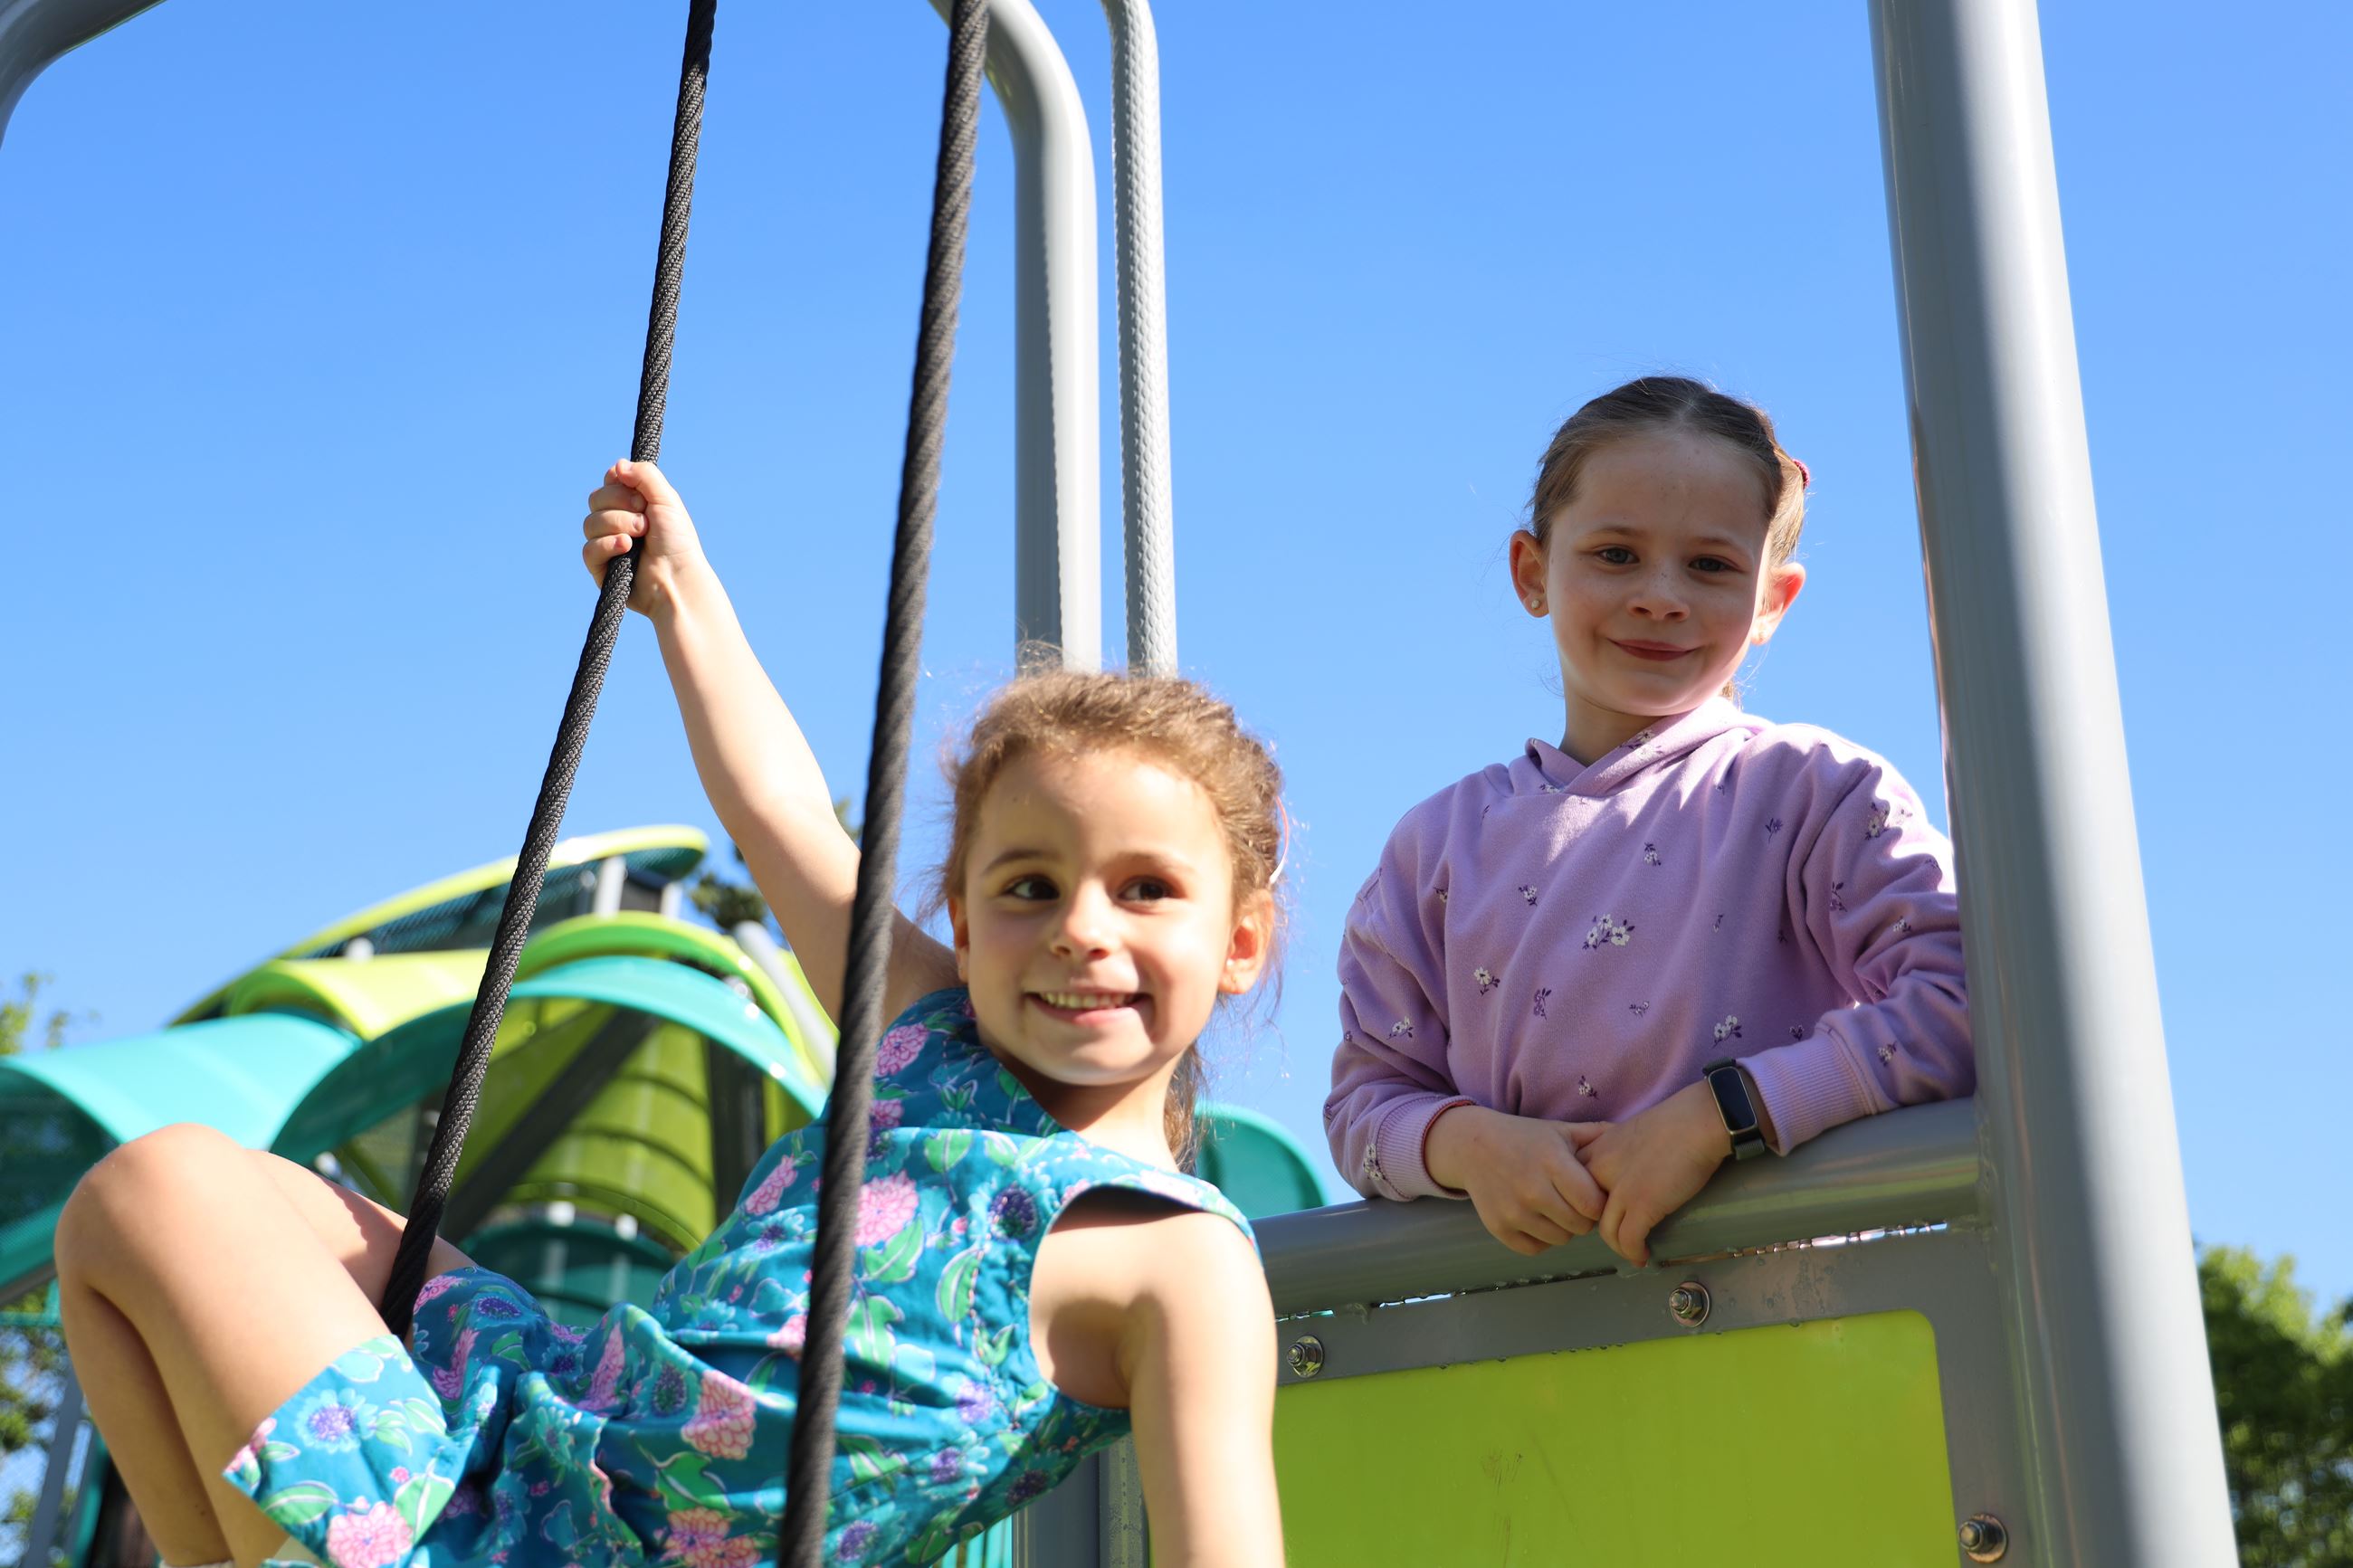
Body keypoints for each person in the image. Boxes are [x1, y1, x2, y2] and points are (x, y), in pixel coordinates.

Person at [55, 461, 1286, 1568]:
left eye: (1146, 891)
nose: (1082, 927)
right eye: (1030, 887)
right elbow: (785, 819)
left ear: (1238, 943)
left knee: (160, 1189)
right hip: (549, 1422)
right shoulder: (933, 1026)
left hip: (600, 1551)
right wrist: (684, 597)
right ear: (961, 917)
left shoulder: (1183, 1260)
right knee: (155, 1208)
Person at [1325, 375, 1974, 1266]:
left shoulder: (1815, 790)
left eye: (1709, 565)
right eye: (1615, 554)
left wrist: (1727, 1113)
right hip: (1523, 1358)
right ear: (1530, 572)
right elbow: (1366, 1106)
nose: (1660, 595)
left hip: (1807, 1332)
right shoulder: (1433, 848)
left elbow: (1966, 1000)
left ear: (1771, 603)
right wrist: (1467, 1144)